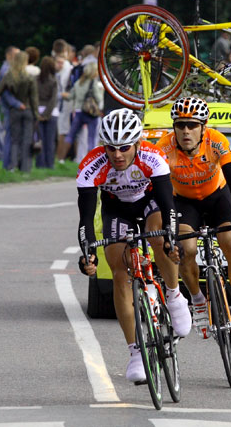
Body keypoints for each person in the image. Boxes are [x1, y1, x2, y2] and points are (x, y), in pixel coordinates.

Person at [77, 108, 191, 382]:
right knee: (117, 270)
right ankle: (136, 352)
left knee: (157, 235)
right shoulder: (91, 166)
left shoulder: (153, 158)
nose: (117, 155)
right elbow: (85, 220)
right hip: (117, 211)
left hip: (150, 202)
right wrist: (87, 256)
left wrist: (171, 241)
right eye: (111, 148)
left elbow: (169, 207)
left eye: (124, 148)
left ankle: (174, 297)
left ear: (137, 144)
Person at [156, 97, 231, 347]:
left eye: (192, 125)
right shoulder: (163, 147)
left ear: (203, 127)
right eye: (180, 125)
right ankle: (198, 300)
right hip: (184, 203)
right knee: (186, 249)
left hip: (217, 197)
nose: (186, 131)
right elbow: (156, 187)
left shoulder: (216, 141)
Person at [0, 50, 39, 173]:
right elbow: (34, 98)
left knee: (14, 140)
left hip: (14, 111)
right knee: (27, 140)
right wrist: (36, 114)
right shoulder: (30, 77)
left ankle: (12, 165)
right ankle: (25, 168)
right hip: (28, 110)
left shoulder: (9, 76)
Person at [57, 61, 103, 162]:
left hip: (78, 112)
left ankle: (61, 158)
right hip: (90, 113)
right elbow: (99, 99)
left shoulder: (78, 83)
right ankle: (92, 160)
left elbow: (70, 97)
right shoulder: (93, 83)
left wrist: (63, 95)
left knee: (71, 135)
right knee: (91, 137)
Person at [35, 56, 58, 168]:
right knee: (50, 141)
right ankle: (50, 164)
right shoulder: (53, 81)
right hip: (51, 113)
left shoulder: (35, 79)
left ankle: (40, 164)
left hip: (38, 110)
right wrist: (47, 114)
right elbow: (53, 100)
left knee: (40, 140)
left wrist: (39, 114)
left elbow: (33, 97)